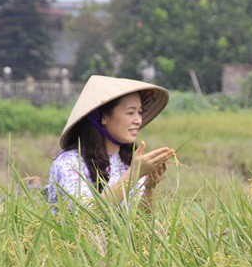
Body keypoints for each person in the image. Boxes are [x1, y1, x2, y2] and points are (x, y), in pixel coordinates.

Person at [48, 75, 175, 213]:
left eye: (139, 112)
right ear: (103, 117)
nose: (138, 120)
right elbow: (87, 216)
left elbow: (139, 223)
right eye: (130, 112)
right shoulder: (70, 163)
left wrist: (149, 188)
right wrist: (133, 174)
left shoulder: (129, 161)